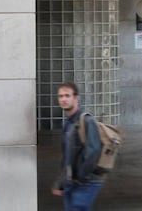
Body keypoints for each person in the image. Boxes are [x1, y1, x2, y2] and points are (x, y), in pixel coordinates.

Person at [51, 82, 103, 211]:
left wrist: (81, 178)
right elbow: (67, 157)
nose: (63, 99)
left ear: (76, 98)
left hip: (86, 182)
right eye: (60, 96)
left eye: (67, 95)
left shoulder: (86, 121)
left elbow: (93, 151)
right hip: (72, 182)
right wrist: (61, 182)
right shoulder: (68, 124)